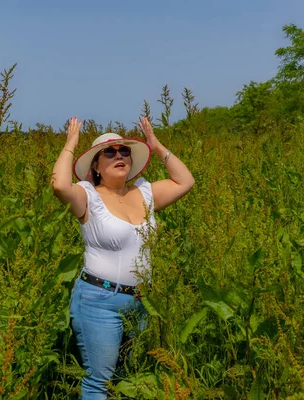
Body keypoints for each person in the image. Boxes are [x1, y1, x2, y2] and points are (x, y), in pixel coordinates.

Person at [51, 117, 194, 399]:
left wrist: (156, 145)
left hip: (141, 303)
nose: (119, 155)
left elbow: (185, 181)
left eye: (124, 151)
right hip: (98, 302)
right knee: (99, 383)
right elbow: (59, 186)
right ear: (95, 165)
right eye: (110, 152)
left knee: (129, 379)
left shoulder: (145, 192)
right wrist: (70, 144)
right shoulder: (87, 196)